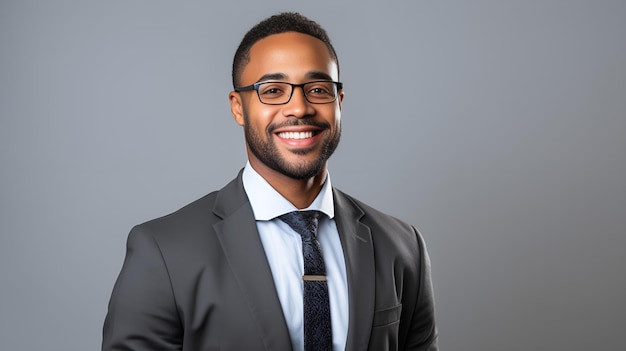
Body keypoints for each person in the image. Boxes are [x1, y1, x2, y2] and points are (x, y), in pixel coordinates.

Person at [102, 12, 437, 351]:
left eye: (318, 89)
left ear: (339, 102)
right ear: (238, 107)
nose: (299, 108)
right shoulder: (164, 251)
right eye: (273, 90)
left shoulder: (402, 247)